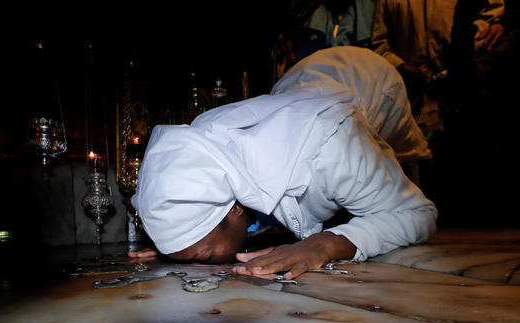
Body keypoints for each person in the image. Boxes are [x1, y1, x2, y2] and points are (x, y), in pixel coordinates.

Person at [129, 46, 437, 280]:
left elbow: (419, 214)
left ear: (234, 209)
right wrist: (176, 242)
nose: (201, 266)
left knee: (396, 171)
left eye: (204, 257)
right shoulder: (212, 159)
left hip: (371, 75)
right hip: (296, 81)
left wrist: (326, 244)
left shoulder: (334, 150)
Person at [371, 0, 504, 136]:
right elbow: (379, 45)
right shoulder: (388, 2)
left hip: (464, 98)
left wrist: (472, 43)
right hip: (413, 106)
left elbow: (493, 16)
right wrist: (400, 65)